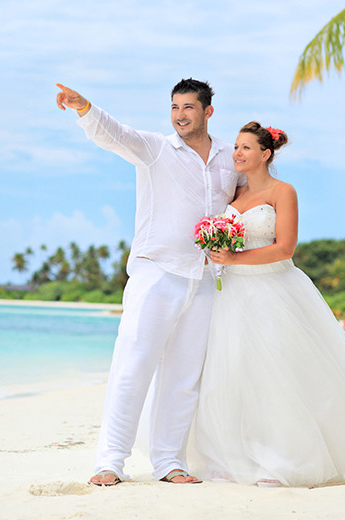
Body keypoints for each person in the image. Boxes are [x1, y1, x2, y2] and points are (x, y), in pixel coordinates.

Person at [192, 122, 345, 487]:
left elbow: (284, 248)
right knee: (230, 373)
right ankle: (230, 458)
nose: (237, 154)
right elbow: (226, 246)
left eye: (245, 148)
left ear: (266, 154)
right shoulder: (233, 195)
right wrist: (217, 255)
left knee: (276, 373)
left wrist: (233, 260)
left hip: (273, 290)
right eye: (236, 148)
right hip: (231, 294)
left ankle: (284, 460)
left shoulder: (283, 191)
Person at [55, 80, 245, 485]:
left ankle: (169, 463)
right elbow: (116, 135)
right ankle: (110, 461)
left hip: (207, 279)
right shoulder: (156, 148)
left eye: (189, 107)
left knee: (184, 375)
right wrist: (85, 108)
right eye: (175, 107)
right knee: (132, 366)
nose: (180, 114)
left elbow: (248, 201)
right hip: (157, 273)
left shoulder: (231, 157)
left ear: (207, 112)